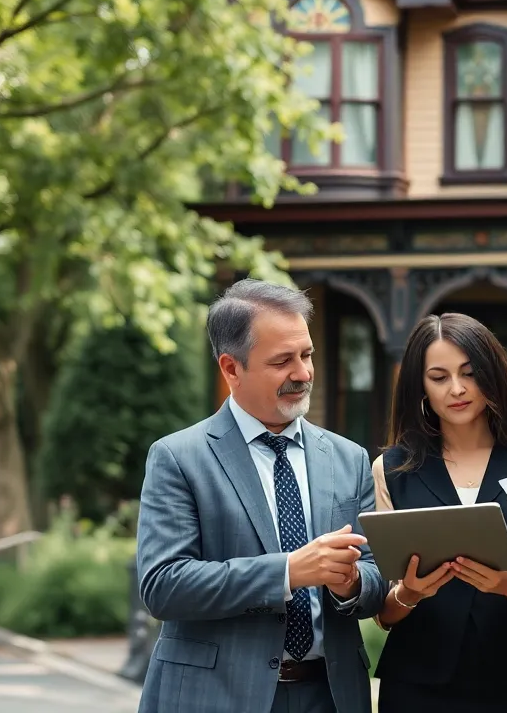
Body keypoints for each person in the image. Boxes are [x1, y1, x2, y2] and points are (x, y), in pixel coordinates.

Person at [135, 279, 387, 713]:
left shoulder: (350, 458)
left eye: (307, 355)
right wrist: (289, 571)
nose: (304, 373)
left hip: (330, 696)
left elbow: (376, 576)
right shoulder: (177, 457)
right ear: (232, 369)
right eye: (283, 361)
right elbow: (163, 585)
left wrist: (352, 584)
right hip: (216, 697)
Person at [369, 312, 507, 712]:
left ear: (491, 375)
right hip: (415, 684)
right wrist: (409, 593)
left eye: (470, 372)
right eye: (439, 377)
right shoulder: (391, 471)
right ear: (420, 386)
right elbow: (384, 611)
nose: (457, 389)